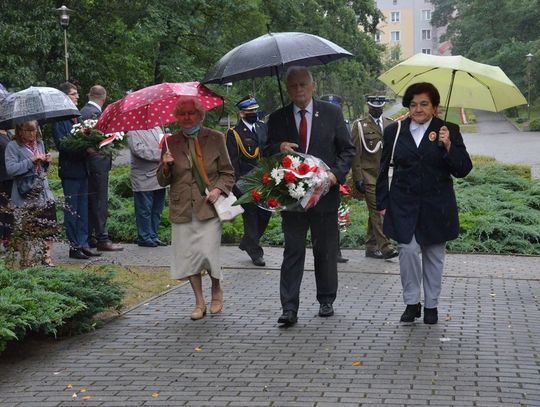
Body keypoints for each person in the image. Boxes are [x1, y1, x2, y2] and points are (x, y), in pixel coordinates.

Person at [265, 66, 355, 326]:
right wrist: (278, 147)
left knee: (325, 250)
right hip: (292, 198)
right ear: (288, 89)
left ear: (312, 86)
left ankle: (326, 299)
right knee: (293, 250)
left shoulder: (332, 113)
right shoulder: (278, 118)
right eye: (293, 86)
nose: (298, 90)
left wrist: (334, 175)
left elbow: (347, 151)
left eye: (303, 85)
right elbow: (266, 151)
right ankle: (289, 308)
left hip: (324, 195)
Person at [376, 82, 473, 324]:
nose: (418, 109)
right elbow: (382, 169)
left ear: (435, 107)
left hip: (436, 204)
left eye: (424, 104)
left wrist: (448, 145)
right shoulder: (395, 131)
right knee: (407, 251)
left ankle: (431, 305)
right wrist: (381, 203)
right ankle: (412, 302)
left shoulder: (448, 129)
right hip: (403, 203)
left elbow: (463, 169)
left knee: (434, 255)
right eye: (413, 104)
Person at [157, 96, 234, 321]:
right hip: (182, 208)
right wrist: (165, 166)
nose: (187, 118)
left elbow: (228, 173)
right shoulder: (169, 142)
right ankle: (199, 302)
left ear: (200, 115)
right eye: (182, 114)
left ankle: (216, 289)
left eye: (191, 113)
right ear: (176, 117)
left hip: (208, 207)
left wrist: (218, 190)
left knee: (208, 254)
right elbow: (163, 181)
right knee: (189, 256)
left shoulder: (216, 138)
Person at [52, 82, 101, 260]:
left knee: (83, 210)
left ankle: (84, 243)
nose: (77, 97)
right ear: (65, 96)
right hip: (71, 171)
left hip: (83, 169)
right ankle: (74, 246)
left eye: (77, 94)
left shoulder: (76, 116)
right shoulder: (60, 119)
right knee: (72, 211)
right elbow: (62, 144)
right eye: (73, 94)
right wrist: (83, 148)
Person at [351, 96, 398, 260]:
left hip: (386, 176)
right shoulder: (359, 125)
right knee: (378, 210)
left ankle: (371, 247)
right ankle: (385, 247)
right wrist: (358, 177)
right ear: (369, 107)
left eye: (380, 107)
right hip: (368, 175)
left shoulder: (390, 124)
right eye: (374, 107)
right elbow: (355, 153)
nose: (377, 109)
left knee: (374, 211)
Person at [226, 96, 271, 266]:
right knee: (251, 215)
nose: (254, 113)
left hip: (265, 180)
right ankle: (255, 252)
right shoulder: (234, 133)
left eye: (255, 110)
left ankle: (247, 241)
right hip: (245, 180)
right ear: (242, 113)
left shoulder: (262, 127)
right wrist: (236, 184)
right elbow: (232, 160)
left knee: (266, 213)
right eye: (250, 111)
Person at [5, 121, 56, 266]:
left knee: (48, 225)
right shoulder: (13, 146)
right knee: (25, 228)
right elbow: (11, 169)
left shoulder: (39, 143)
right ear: (20, 131)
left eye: (35, 130)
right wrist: (31, 160)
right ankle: (26, 259)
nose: (33, 134)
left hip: (43, 192)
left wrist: (46, 162)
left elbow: (42, 170)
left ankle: (46, 257)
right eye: (29, 131)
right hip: (24, 194)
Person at [81, 85, 123, 252]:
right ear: (104, 97)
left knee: (92, 202)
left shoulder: (82, 111)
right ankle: (102, 238)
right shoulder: (95, 114)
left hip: (90, 165)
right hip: (97, 164)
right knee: (99, 201)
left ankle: (92, 235)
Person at [320, 94, 350, 263]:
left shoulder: (342, 125)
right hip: (313, 177)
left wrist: (338, 174)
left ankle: (335, 250)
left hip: (333, 178)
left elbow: (346, 150)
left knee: (334, 217)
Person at [128, 126, 167, 247]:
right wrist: (161, 154)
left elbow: (163, 144)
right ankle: (144, 237)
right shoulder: (133, 130)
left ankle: (153, 235)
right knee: (144, 209)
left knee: (157, 209)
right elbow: (138, 150)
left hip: (159, 174)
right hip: (143, 176)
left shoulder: (157, 128)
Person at [0, 129, 14, 246]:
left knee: (9, 210)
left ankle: (8, 237)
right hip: (2, 178)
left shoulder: (8, 134)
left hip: (9, 178)